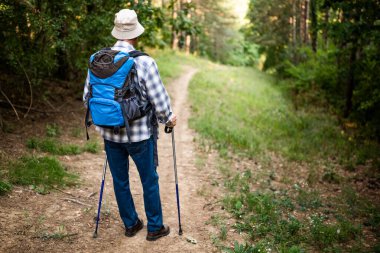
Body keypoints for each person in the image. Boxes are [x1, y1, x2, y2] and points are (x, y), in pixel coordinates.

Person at [83, 9, 176, 241]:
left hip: (110, 134)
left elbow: (87, 96)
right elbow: (159, 100)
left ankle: (131, 223)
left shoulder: (98, 59)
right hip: (139, 135)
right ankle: (155, 227)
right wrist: (169, 118)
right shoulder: (144, 61)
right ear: (135, 33)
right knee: (149, 180)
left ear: (117, 31)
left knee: (120, 180)